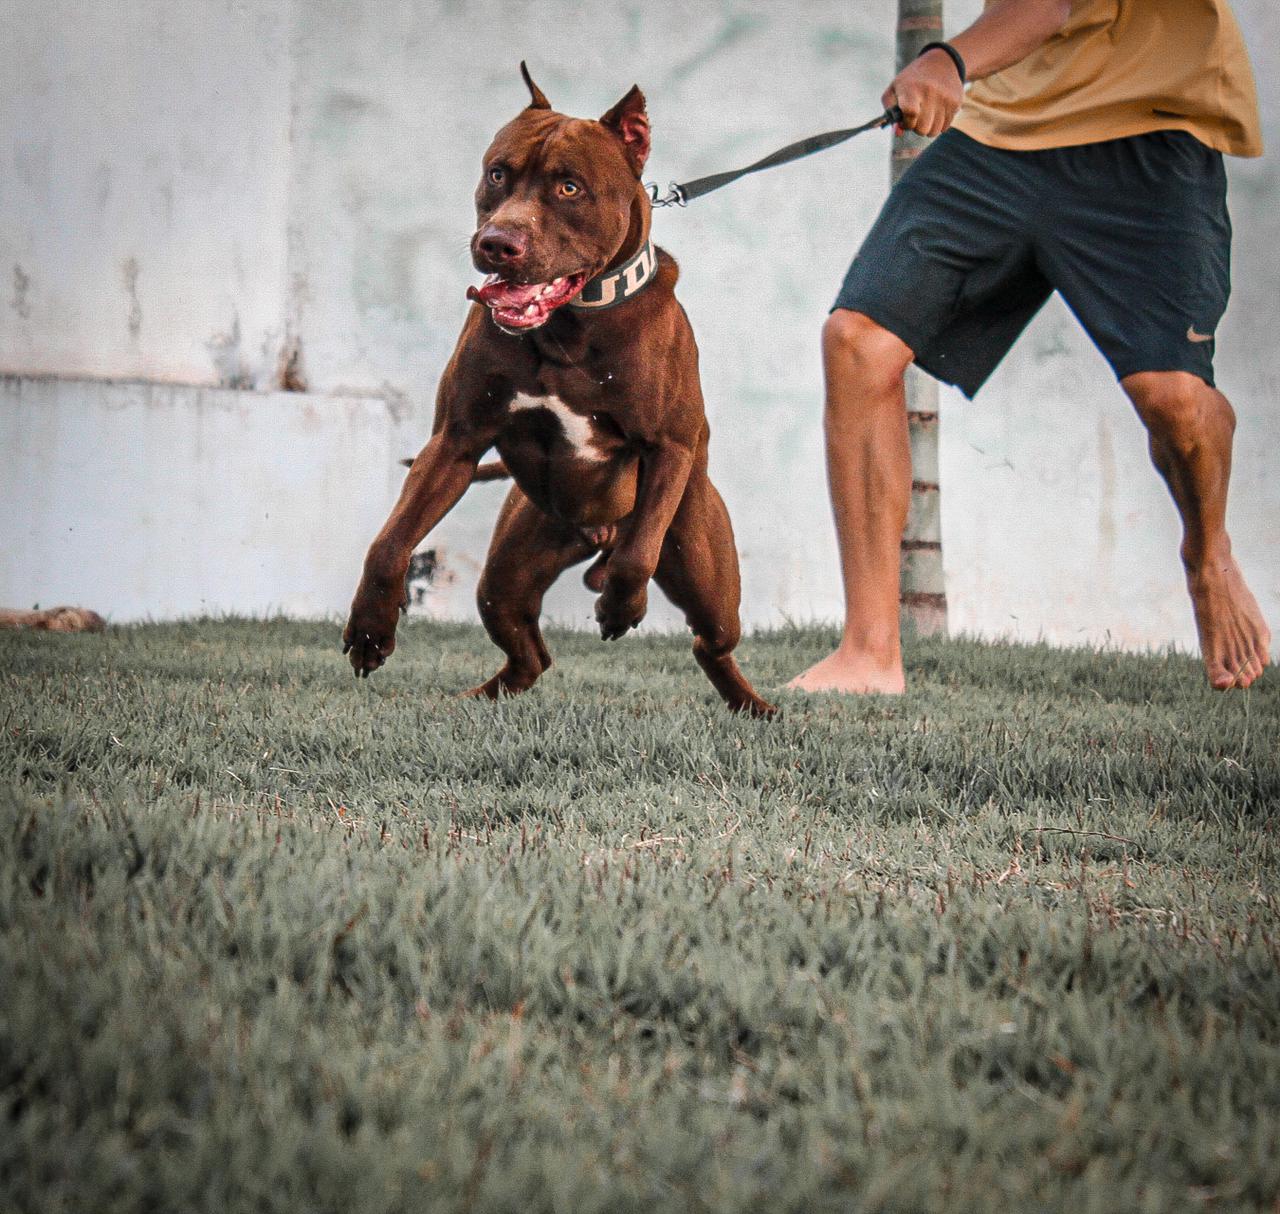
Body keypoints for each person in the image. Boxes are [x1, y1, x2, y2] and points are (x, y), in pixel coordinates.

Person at [788, 0, 1272, 694]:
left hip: (1150, 125)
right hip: (1005, 131)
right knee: (857, 341)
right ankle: (870, 652)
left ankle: (1207, 551)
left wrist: (949, 60)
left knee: (1175, 400)